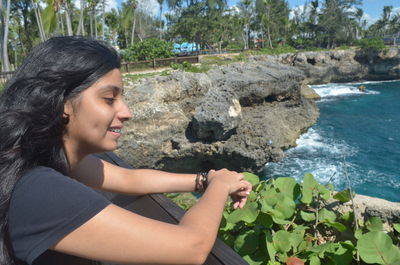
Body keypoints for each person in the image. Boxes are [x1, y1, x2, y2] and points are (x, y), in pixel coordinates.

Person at [0, 36, 252, 265]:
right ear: (63, 103)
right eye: (109, 99)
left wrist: (205, 180)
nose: (127, 112)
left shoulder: (40, 158)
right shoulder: (39, 188)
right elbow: (191, 247)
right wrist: (220, 186)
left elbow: (128, 178)